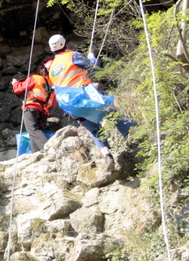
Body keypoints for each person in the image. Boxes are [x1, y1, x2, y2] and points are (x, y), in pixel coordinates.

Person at [46, 33, 115, 163]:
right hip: (84, 97)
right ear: (65, 44)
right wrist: (92, 59)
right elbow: (92, 67)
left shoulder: (51, 70)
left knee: (94, 130)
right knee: (113, 110)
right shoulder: (72, 55)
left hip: (71, 107)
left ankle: (107, 155)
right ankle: (133, 135)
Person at [11, 63, 57, 153]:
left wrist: (15, 83)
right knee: (34, 132)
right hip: (43, 112)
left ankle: (49, 150)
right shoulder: (52, 85)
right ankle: (36, 154)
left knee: (33, 130)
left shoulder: (36, 78)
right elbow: (53, 103)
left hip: (31, 107)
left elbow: (18, 89)